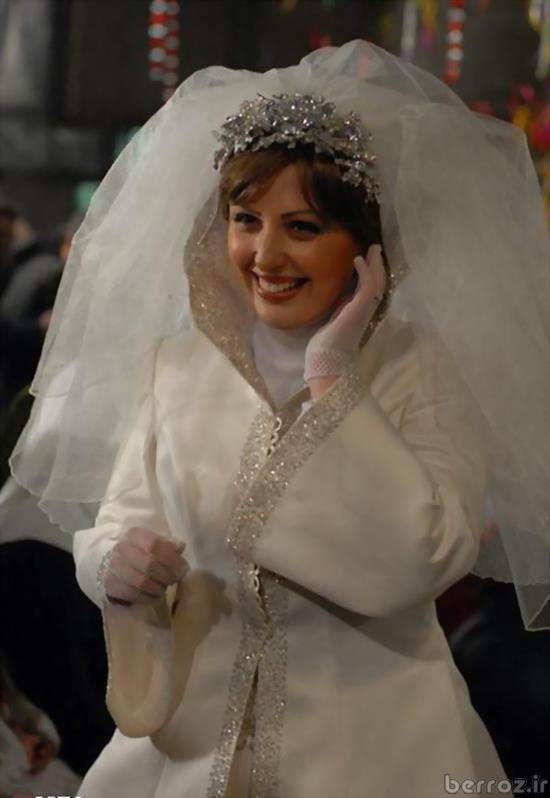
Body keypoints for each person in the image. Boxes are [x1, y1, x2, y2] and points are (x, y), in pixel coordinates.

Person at [8, 41, 550, 797]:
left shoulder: (420, 368)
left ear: (367, 248)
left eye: (302, 227)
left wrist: (334, 380)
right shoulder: (180, 365)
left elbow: (423, 557)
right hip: (186, 748)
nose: (265, 254)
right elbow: (120, 522)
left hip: (376, 750)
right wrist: (113, 567)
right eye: (246, 219)